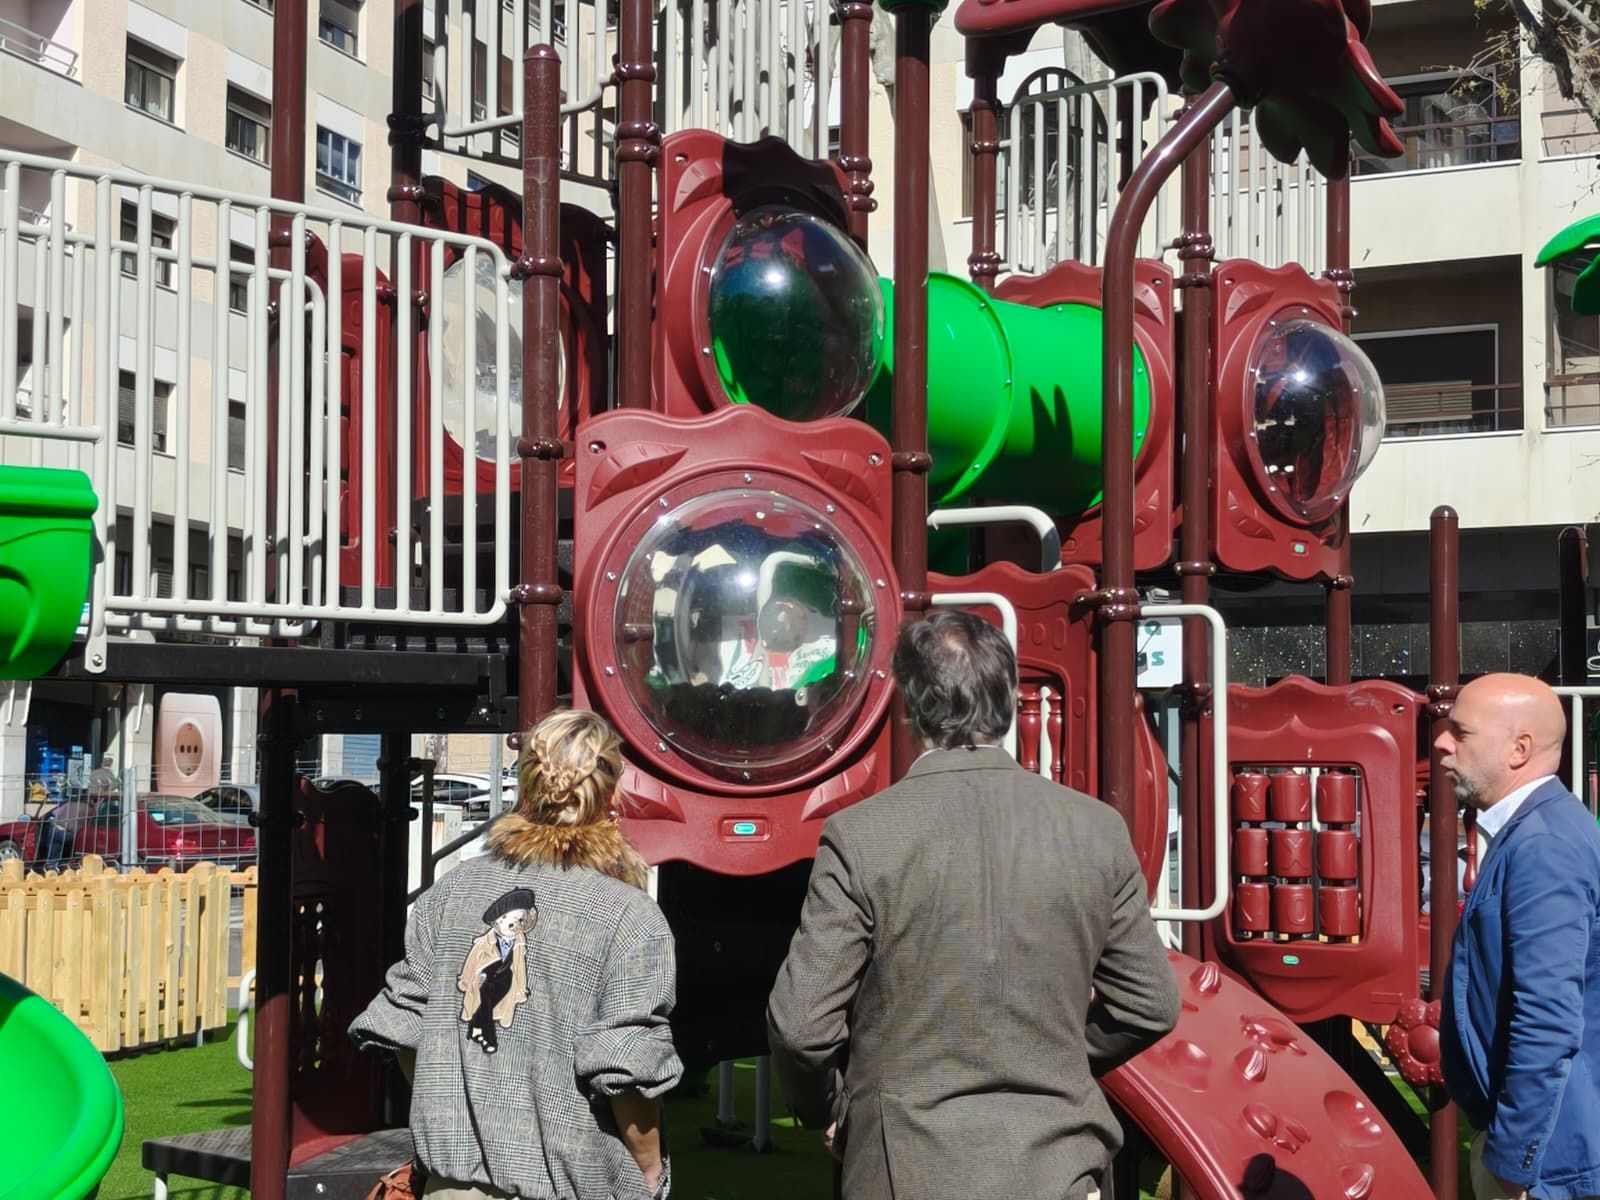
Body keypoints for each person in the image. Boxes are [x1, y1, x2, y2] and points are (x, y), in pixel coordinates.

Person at [766, 610, 1181, 1200]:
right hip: (1061, 1165)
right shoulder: (1096, 829)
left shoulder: (861, 834)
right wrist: (1052, 1057)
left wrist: (832, 1108)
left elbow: (801, 1025)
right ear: (1009, 700)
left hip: (907, 1164)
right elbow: (1152, 1005)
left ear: (909, 705)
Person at [351, 709, 683, 1200]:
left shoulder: (453, 890)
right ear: (612, 792)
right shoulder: (630, 916)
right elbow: (629, 1076)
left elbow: (407, 1031)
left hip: (450, 1188)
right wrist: (651, 1174)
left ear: (526, 785)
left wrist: (463, 1109)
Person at [1437, 673, 1600, 1200]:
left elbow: (1548, 1017)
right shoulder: (1539, 830)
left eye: (1460, 732)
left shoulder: (1543, 846)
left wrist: (1514, 1160)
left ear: (1519, 749)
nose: (1441, 742)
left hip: (1552, 1161)